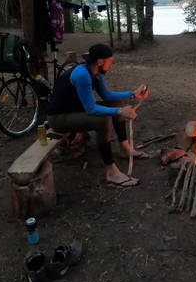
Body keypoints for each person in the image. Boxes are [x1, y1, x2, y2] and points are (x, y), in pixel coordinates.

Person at [47, 43, 149, 187]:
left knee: (117, 104)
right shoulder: (82, 75)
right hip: (59, 118)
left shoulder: (95, 73)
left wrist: (133, 94)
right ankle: (112, 172)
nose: (111, 65)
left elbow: (107, 95)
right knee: (100, 122)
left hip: (77, 110)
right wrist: (120, 112)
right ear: (100, 62)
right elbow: (91, 109)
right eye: (110, 61)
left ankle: (125, 149)